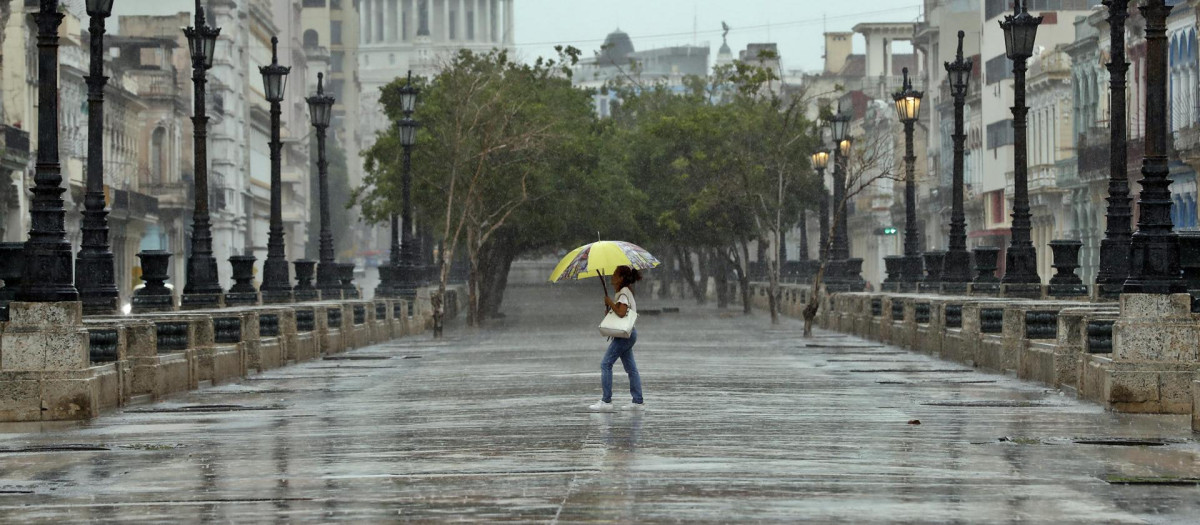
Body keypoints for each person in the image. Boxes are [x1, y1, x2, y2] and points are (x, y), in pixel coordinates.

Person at [589, 265, 645, 412]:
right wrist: (610, 307)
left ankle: (606, 401)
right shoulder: (624, 292)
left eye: (614, 274)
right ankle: (637, 401)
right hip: (628, 334)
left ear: (621, 278)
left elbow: (621, 313)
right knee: (631, 368)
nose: (612, 277)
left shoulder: (624, 292)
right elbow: (620, 312)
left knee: (605, 364)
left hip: (624, 336)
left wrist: (610, 303)